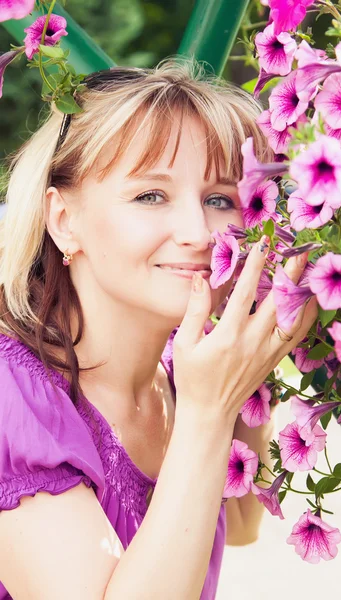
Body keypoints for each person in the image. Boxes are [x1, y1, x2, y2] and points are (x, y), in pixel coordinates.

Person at [0, 58, 317, 599]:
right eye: (151, 195)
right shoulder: (14, 396)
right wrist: (210, 407)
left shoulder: (181, 362)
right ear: (63, 220)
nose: (197, 232)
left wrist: (249, 368)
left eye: (220, 200)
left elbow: (241, 523)